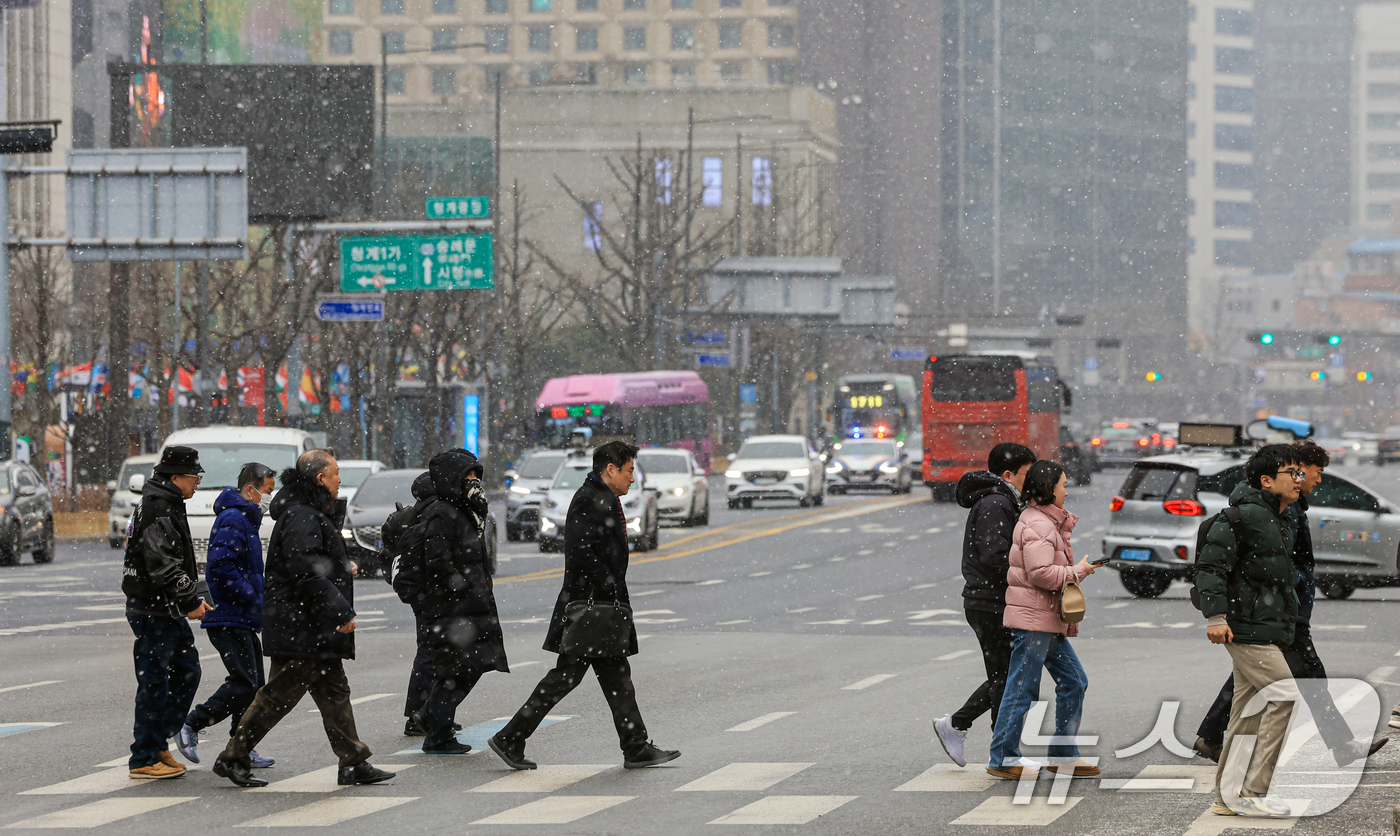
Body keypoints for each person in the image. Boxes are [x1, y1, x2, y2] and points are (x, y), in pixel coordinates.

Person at [1192, 440, 1386, 768]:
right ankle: (1334, 747)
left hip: (1280, 610)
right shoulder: (1277, 510)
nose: (1312, 479)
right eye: (1308, 471)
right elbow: (1225, 567)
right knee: (1295, 683)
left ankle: (1213, 742)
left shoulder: (1289, 508)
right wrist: (1218, 615)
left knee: (1252, 682)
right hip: (1275, 610)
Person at [489, 440, 679, 771]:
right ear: (611, 470)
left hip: (600, 607)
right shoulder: (589, 500)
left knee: (614, 676)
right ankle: (511, 737)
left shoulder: (601, 498)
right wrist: (608, 586)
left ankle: (634, 746)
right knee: (568, 677)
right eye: (629, 471)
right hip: (591, 608)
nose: (632, 479)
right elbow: (581, 552)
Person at [213, 450, 395, 789]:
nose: (340, 479)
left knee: (334, 691)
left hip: (310, 625)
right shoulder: (302, 516)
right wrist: (339, 611)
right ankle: (232, 756)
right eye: (336, 473)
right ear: (319, 479)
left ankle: (353, 761)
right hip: (301, 626)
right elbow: (306, 571)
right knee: (277, 697)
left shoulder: (310, 512)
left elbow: (315, 564)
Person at [1196, 444, 1304, 818]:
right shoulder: (1239, 518)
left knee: (1245, 713)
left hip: (1263, 627)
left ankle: (1228, 796)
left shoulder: (1281, 518)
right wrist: (1215, 617)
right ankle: (1254, 790)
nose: (1300, 480)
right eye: (1293, 473)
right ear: (1266, 480)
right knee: (1285, 696)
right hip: (1245, 628)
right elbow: (1210, 569)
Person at [986, 460, 1098, 781]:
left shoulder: (1047, 522)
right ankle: (1004, 757)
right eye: (1063, 485)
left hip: (1046, 620)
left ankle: (1064, 754)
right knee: (1022, 688)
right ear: (1049, 489)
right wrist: (1079, 572)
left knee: (1074, 681)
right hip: (1034, 621)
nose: (1067, 490)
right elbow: (1040, 573)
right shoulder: (1039, 524)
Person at [934, 442, 1038, 767]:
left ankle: (967, 730)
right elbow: (995, 555)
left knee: (1004, 674)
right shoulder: (996, 503)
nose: (1031, 480)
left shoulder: (1003, 500)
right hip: (990, 602)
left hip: (990, 601)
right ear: (1008, 474)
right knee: (1007, 675)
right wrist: (1032, 576)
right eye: (1026, 474)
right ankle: (1001, 751)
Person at [176, 463, 277, 768]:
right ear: (251, 489)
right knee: (245, 682)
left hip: (241, 615)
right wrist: (250, 595)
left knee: (254, 682)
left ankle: (240, 745)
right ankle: (191, 725)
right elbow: (221, 567)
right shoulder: (235, 517)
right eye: (267, 491)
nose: (268, 498)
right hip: (229, 614)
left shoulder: (245, 518)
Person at [122, 445, 210, 779]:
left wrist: (194, 595)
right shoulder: (159, 506)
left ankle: (158, 743)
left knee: (188, 671)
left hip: (161, 606)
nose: (197, 482)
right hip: (153, 608)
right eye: (193, 476)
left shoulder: (164, 501)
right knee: (154, 682)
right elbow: (162, 565)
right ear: (175, 477)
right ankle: (143, 756)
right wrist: (190, 601)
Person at [414, 448, 509, 754]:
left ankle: (430, 717)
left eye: (476, 475)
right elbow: (437, 560)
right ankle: (438, 735)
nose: (474, 481)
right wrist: (461, 585)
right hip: (452, 610)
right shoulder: (443, 512)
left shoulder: (466, 511)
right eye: (467, 475)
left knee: (473, 665)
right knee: (454, 671)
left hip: (471, 606)